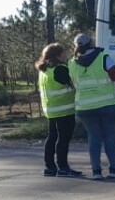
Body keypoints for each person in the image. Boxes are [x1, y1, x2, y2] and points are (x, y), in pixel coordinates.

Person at [69, 32, 115, 180]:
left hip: (84, 107)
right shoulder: (104, 57)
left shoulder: (71, 63)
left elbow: (73, 83)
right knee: (109, 137)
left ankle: (96, 171)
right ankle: (113, 170)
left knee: (94, 138)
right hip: (107, 104)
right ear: (92, 43)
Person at [35, 43, 82, 178]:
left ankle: (50, 167)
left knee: (52, 137)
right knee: (63, 139)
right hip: (64, 109)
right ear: (57, 55)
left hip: (51, 109)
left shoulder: (44, 70)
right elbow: (74, 84)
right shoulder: (60, 69)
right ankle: (63, 167)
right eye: (63, 53)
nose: (66, 55)